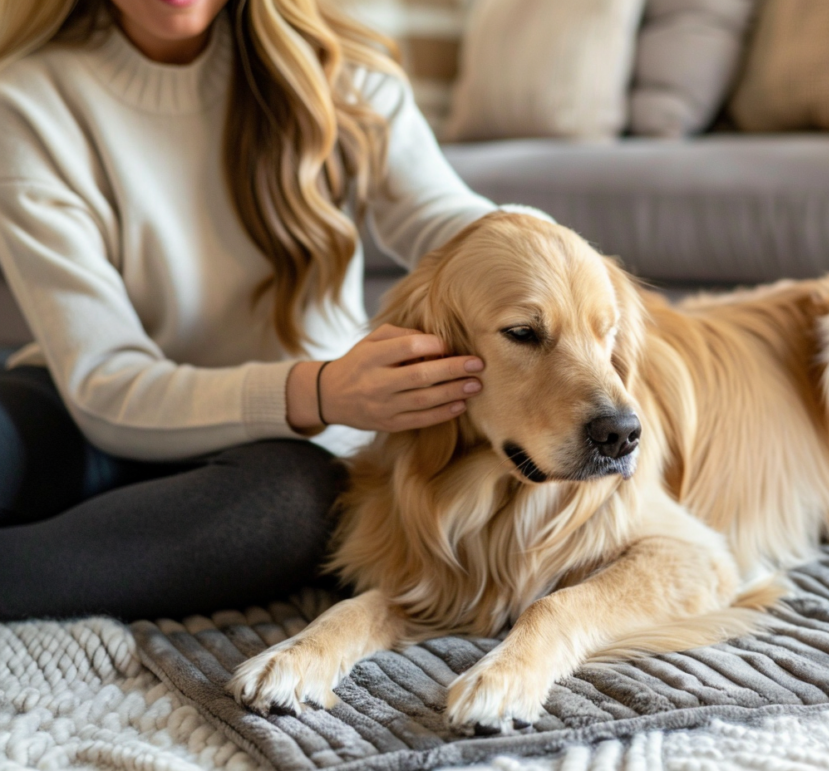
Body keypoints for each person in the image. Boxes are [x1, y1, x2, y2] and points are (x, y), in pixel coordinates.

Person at [0, 0, 503, 621]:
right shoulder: (25, 98)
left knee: (294, 507)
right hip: (92, 413)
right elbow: (105, 384)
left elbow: (449, 221)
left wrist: (565, 267)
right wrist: (317, 387)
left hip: (284, 443)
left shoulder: (344, 74)